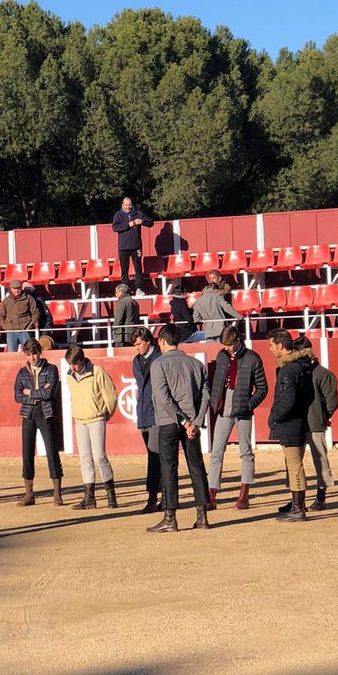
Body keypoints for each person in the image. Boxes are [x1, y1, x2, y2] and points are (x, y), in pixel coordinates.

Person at [146, 323, 211, 532]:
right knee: (196, 466)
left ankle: (170, 518)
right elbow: (206, 396)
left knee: (168, 468)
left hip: (168, 422)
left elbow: (163, 397)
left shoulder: (158, 365)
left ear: (162, 341)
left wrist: (183, 421)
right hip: (192, 422)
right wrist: (196, 421)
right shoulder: (196, 364)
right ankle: (202, 517)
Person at [206, 326, 268, 511]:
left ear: (237, 341)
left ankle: (244, 494)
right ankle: (212, 494)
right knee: (216, 452)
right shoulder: (222, 356)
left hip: (243, 411)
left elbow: (262, 388)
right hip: (224, 409)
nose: (227, 348)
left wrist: (249, 405)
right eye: (224, 345)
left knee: (246, 452)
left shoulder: (252, 358)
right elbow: (217, 382)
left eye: (229, 345)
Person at [278, 337, 338, 512]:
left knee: (318, 460)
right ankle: (297, 499)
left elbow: (331, 402)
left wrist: (322, 416)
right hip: (299, 423)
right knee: (294, 461)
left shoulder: (320, 374)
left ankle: (320, 497)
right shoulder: (315, 373)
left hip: (312, 423)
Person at [266, 330, 315, 522]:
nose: (270, 349)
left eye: (271, 345)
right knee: (295, 464)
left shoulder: (288, 370)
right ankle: (297, 506)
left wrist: (275, 418)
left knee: (295, 466)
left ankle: (297, 509)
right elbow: (308, 396)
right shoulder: (303, 367)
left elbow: (286, 401)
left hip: (290, 423)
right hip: (300, 420)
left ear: (280, 346)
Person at [64, 345, 118, 509]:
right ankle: (89, 497)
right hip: (80, 419)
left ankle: (111, 495)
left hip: (96, 419)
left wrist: (106, 414)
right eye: (70, 364)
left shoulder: (97, 372)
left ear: (82, 360)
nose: (72, 367)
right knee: (85, 458)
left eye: (75, 364)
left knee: (99, 456)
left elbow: (111, 395)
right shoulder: (70, 376)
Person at [14, 336, 63, 507]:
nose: (32, 357)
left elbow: (50, 393)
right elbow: (17, 395)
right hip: (28, 414)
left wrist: (31, 393)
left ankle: (57, 493)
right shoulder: (21, 372)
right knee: (27, 452)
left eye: (34, 354)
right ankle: (29, 494)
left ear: (40, 353)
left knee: (51, 451)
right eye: (28, 354)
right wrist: (37, 393)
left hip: (45, 412)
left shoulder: (51, 369)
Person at [131, 328, 162, 513]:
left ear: (148, 341)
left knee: (156, 456)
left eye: (138, 344)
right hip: (144, 413)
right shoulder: (136, 361)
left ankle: (156, 497)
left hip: (158, 413)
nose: (137, 348)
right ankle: (156, 496)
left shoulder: (159, 357)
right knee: (153, 456)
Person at [111, 195, 153, 294]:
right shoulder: (118, 215)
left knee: (138, 267)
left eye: (129, 205)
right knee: (124, 269)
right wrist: (127, 225)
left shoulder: (138, 213)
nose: (128, 207)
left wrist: (142, 221)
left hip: (136, 246)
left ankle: (139, 288)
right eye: (126, 205)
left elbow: (151, 222)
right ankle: (125, 288)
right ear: (122, 205)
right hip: (123, 247)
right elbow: (115, 228)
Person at [189, 273, 238, 342]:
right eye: (210, 278)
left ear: (219, 278)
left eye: (214, 278)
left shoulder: (226, 287)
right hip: (209, 315)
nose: (211, 280)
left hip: (222, 314)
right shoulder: (206, 288)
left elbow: (225, 301)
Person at [0, 278, 39, 352]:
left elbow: (35, 313)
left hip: (25, 331)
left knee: (29, 352)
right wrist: (5, 326)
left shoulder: (29, 298)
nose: (16, 290)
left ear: (21, 288)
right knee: (12, 354)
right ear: (10, 289)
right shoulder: (6, 301)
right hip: (11, 332)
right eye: (14, 288)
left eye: (18, 288)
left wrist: (29, 326)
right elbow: (1, 315)